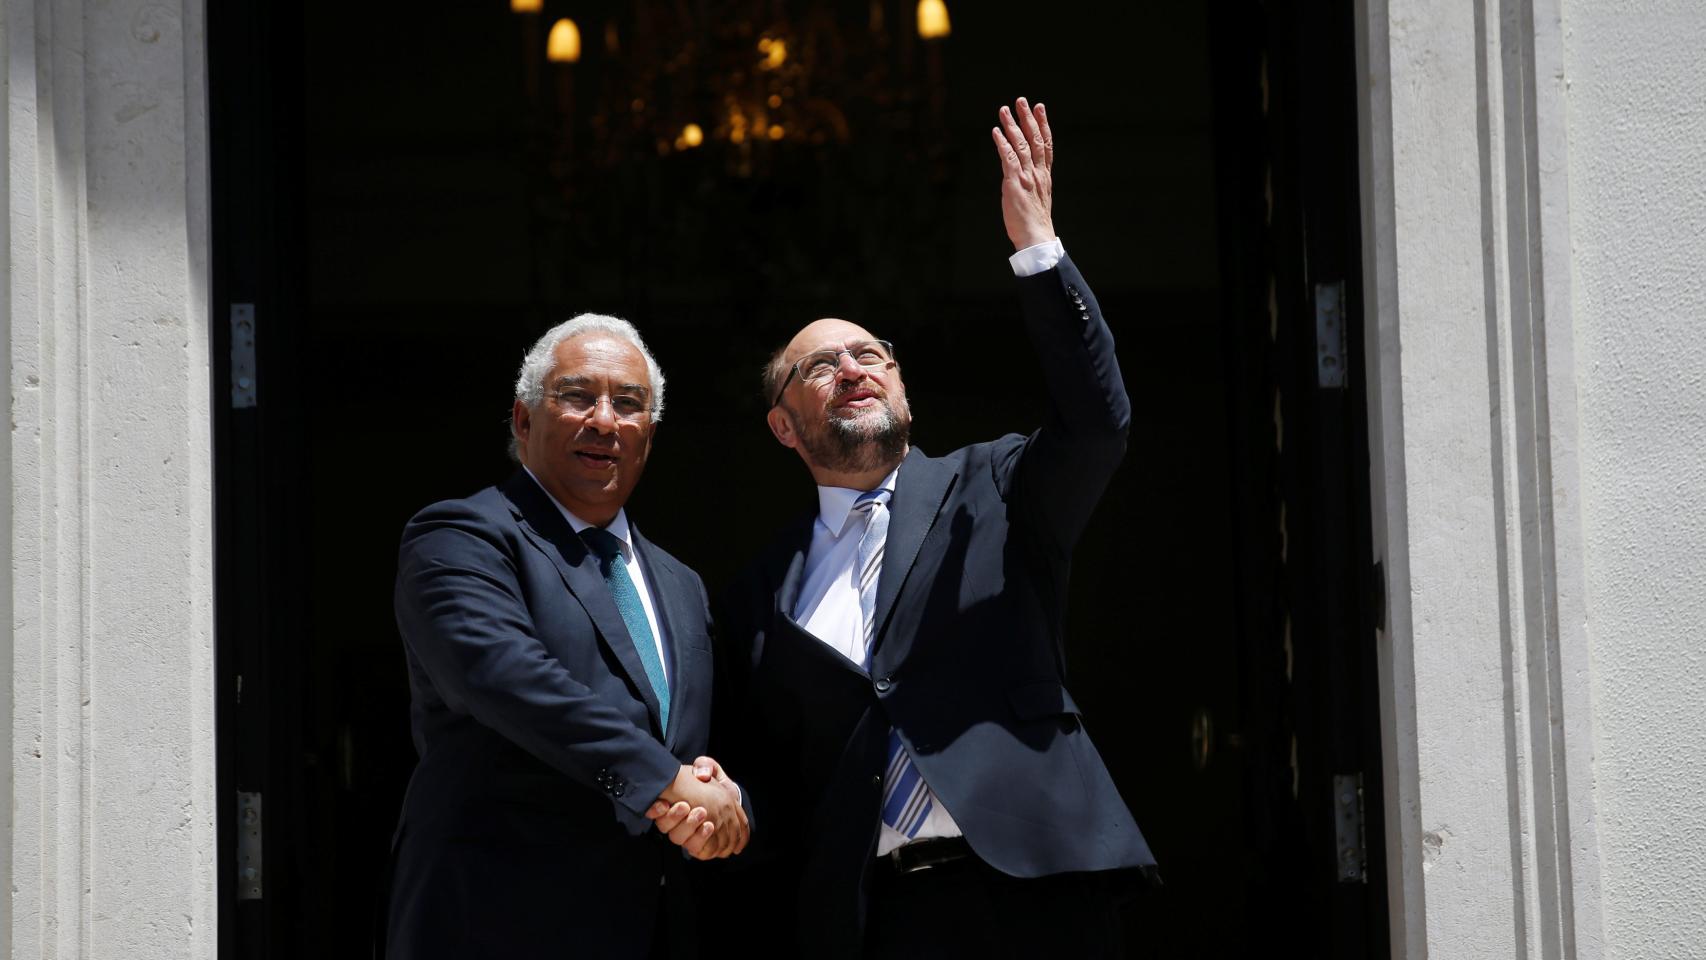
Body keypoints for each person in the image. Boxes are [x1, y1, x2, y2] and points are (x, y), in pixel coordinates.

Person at [702, 98, 1158, 957]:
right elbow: (771, 777)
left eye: (870, 354)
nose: (851, 369)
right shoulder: (760, 595)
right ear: (782, 426)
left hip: (1038, 897)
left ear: (902, 384)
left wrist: (1038, 249)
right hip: (879, 920)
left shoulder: (996, 484)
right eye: (819, 365)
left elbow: (1098, 424)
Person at [384, 315, 749, 959]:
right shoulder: (461, 538)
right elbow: (509, 680)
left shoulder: (680, 583)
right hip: (499, 921)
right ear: (523, 421)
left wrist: (721, 796)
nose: (605, 421)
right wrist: (667, 780)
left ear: (650, 436)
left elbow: (703, 740)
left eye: (629, 404)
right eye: (579, 396)